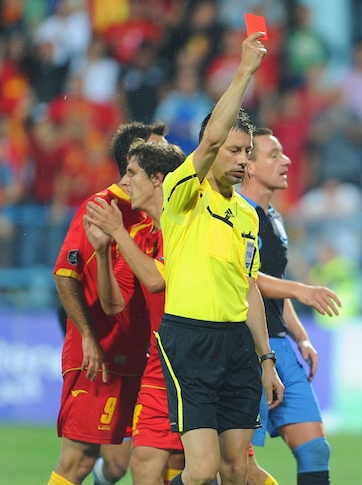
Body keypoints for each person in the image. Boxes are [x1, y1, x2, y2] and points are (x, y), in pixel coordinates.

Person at [156, 32, 284, 485]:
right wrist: (246, 70)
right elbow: (210, 139)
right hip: (189, 338)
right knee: (203, 468)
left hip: (236, 345)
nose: (242, 161)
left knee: (235, 468)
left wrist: (266, 358)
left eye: (246, 152)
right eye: (233, 150)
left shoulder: (247, 214)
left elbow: (248, 287)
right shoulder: (182, 193)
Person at [49, 121, 168, 485]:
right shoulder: (101, 207)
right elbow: (64, 274)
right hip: (101, 354)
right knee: (79, 459)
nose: (167, 157)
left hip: (142, 356)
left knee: (121, 465)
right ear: (134, 159)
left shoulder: (159, 211)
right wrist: (88, 337)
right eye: (158, 149)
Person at [239, 127, 341, 485]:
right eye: (273, 154)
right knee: (236, 466)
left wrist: (302, 338)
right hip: (249, 346)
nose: (286, 160)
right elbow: (246, 279)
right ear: (248, 167)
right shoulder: (237, 215)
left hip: (282, 344)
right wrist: (302, 289)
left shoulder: (276, 219)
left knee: (315, 449)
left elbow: (274, 287)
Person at [83, 140, 188, 485]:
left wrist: (115, 232)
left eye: (131, 173)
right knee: (143, 466)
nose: (123, 182)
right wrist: (102, 252)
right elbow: (114, 304)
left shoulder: (187, 223)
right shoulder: (138, 234)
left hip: (202, 360)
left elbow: (156, 280)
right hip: (160, 365)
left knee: (228, 470)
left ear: (157, 179)